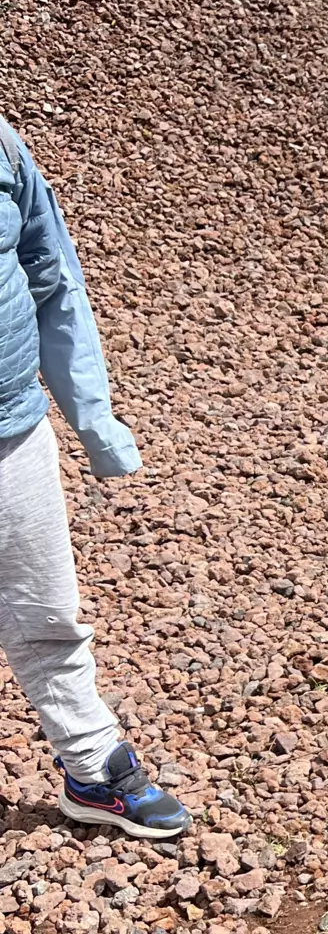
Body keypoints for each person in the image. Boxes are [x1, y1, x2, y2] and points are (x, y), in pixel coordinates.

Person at [0, 117, 189, 842]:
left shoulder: (4, 146)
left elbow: (52, 279)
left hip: (11, 427)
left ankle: (91, 768)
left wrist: (96, 427)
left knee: (47, 614)